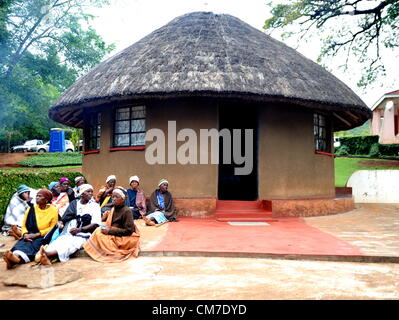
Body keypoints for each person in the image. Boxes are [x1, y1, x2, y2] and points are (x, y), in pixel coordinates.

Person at [38, 184, 101, 265]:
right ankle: (47, 257)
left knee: (72, 244)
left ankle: (47, 254)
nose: (91, 194)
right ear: (81, 193)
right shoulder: (74, 204)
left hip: (85, 233)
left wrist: (79, 230)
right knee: (61, 240)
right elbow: (66, 217)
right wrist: (61, 222)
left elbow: (95, 224)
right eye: (88, 191)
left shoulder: (94, 206)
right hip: (70, 231)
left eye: (92, 192)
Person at [3, 189, 58, 269]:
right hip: (29, 234)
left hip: (43, 235)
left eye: (40, 196)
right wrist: (25, 234)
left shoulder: (53, 210)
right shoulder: (31, 209)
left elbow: (52, 228)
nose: (37, 198)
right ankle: (13, 258)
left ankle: (15, 260)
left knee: (34, 245)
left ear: (46, 199)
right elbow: (24, 225)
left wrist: (36, 235)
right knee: (21, 243)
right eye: (37, 196)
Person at [83, 188, 140, 263]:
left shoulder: (127, 211)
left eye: (116, 197)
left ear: (123, 199)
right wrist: (107, 230)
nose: (114, 199)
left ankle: (110, 254)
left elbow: (129, 231)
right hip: (113, 232)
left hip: (122, 236)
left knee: (100, 236)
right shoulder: (114, 209)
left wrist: (110, 231)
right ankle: (100, 251)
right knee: (98, 231)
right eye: (113, 197)